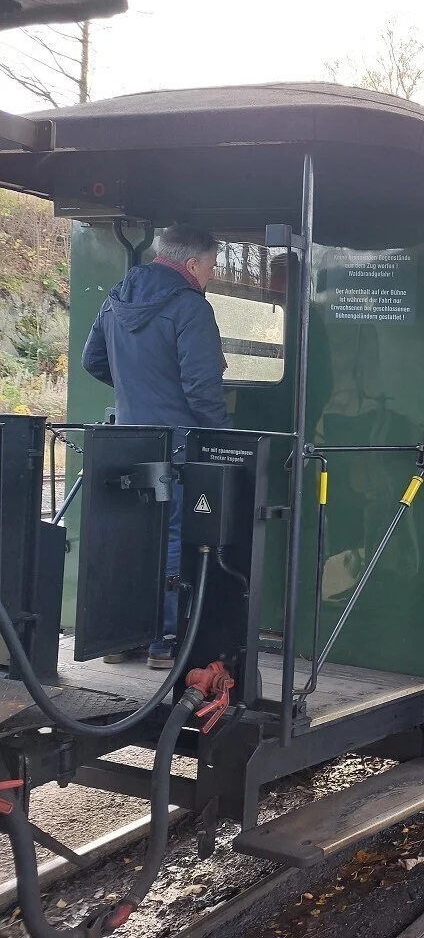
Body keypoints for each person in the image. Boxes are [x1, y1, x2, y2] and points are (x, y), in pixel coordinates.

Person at [82, 224, 229, 669]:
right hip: (179, 442)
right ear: (191, 264)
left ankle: (120, 637)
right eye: (211, 266)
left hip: (129, 437)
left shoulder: (116, 298)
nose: (211, 275)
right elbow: (202, 388)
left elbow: (93, 361)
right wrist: (222, 432)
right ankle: (163, 641)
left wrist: (136, 391)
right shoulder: (190, 308)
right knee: (173, 535)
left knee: (131, 534)